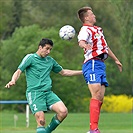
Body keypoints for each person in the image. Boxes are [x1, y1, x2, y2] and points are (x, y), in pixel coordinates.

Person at [5, 38, 82, 133]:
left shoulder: (50, 61)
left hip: (48, 93)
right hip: (35, 93)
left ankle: (47, 131)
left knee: (63, 112)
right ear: (40, 47)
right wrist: (13, 80)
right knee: (41, 121)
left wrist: (83, 72)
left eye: (50, 49)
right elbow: (19, 71)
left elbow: (64, 72)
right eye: (47, 48)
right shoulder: (30, 58)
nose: (48, 52)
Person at [77, 7, 122, 133]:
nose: (94, 16)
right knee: (96, 94)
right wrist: (85, 45)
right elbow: (81, 41)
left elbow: (105, 47)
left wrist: (116, 59)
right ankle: (93, 129)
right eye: (92, 14)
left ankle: (94, 128)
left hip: (100, 65)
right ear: (86, 17)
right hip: (92, 63)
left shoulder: (97, 30)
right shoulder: (85, 29)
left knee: (100, 98)